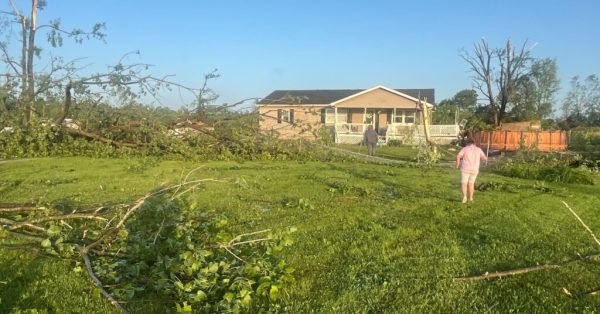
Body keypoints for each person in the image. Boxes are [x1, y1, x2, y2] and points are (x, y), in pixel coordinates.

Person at [456, 138, 487, 204]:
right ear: (474, 143)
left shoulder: (465, 149)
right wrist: (481, 159)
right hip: (475, 169)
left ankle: (464, 197)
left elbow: (458, 156)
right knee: (471, 183)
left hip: (465, 169)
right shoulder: (479, 149)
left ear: (468, 143)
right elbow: (484, 158)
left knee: (464, 183)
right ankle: (471, 198)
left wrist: (458, 164)